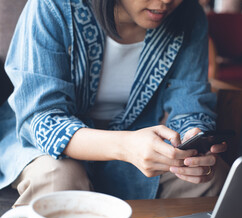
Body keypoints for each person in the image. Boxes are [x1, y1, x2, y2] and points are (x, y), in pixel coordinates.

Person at [0, 0, 229, 205]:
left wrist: (193, 139)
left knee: (211, 176)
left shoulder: (188, 15)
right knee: (59, 179)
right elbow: (42, 119)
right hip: (38, 142)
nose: (167, 1)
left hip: (138, 140)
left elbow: (189, 100)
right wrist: (125, 146)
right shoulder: (54, 6)